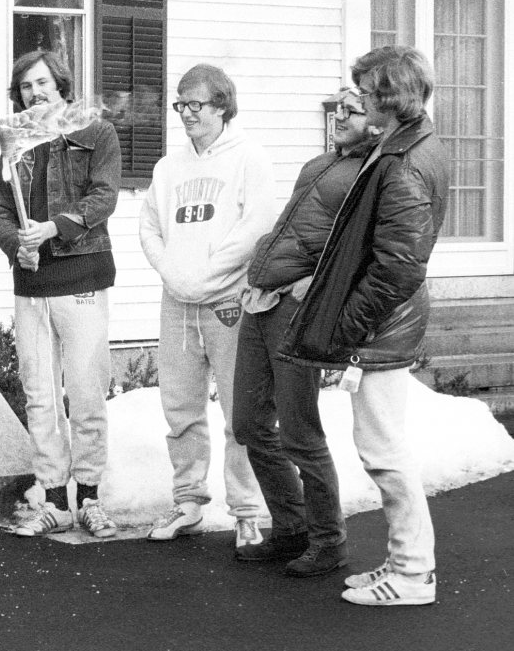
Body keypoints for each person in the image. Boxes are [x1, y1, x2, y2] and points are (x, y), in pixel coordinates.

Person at [279, 46, 448, 606]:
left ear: (391, 97)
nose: (359, 99)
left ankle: (412, 573)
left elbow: (398, 266)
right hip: (383, 325)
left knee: (384, 450)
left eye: (369, 91)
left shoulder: (403, 161)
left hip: (382, 327)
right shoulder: (406, 146)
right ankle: (405, 563)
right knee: (384, 446)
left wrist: (346, 329)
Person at [232, 88, 379, 576]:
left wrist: (311, 285)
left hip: (297, 310)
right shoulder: (320, 164)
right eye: (337, 107)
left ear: (376, 120)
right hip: (263, 302)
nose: (339, 115)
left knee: (299, 431)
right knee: (250, 423)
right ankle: (291, 528)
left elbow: (365, 250)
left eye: (351, 110)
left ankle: (328, 539)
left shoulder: (372, 173)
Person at [138, 63, 275, 548]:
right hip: (177, 303)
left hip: (228, 304)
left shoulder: (248, 158)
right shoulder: (168, 167)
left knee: (241, 412)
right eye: (181, 103)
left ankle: (247, 511)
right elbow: (149, 228)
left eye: (197, 104)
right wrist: (174, 275)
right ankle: (189, 500)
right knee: (180, 408)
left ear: (222, 104)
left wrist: (206, 276)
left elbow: (256, 229)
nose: (187, 113)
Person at [0, 50, 121, 539]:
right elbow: (1, 211)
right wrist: (15, 246)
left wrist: (53, 229)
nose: (34, 93)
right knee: (40, 394)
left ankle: (89, 497)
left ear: (61, 86)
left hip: (81, 277)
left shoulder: (95, 132)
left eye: (42, 83)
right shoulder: (14, 144)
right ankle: (52, 496)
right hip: (33, 285)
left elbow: (103, 197)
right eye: (25, 87)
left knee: (86, 392)